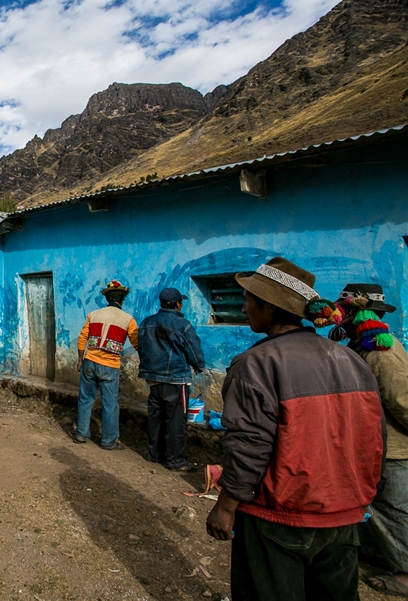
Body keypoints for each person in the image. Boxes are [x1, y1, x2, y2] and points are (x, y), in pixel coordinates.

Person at [205, 257, 386, 601]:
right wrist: (366, 492)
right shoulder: (350, 359)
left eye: (248, 300)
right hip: (343, 514)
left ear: (269, 308)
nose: (243, 308)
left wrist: (226, 506)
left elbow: (249, 444)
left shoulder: (256, 364)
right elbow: (375, 435)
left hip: (281, 515)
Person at [333, 283, 408, 597]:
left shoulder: (381, 351)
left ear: (354, 313)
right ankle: (383, 556)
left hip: (394, 449)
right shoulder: (363, 346)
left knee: (394, 511)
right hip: (376, 445)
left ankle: (405, 574)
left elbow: (402, 401)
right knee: (377, 509)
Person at [137, 287, 205, 471]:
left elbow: (141, 348)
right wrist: (199, 365)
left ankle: (155, 454)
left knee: (156, 417)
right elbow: (193, 350)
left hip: (153, 379)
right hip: (175, 379)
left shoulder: (146, 322)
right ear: (177, 304)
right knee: (175, 419)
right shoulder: (182, 324)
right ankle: (176, 460)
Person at [74, 280, 139, 449]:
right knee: (110, 404)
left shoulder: (93, 314)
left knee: (85, 400)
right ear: (122, 299)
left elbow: (82, 339)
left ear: (107, 297)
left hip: (89, 362)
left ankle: (81, 433)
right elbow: (137, 342)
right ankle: (108, 441)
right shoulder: (128, 320)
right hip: (110, 366)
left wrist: (81, 359)